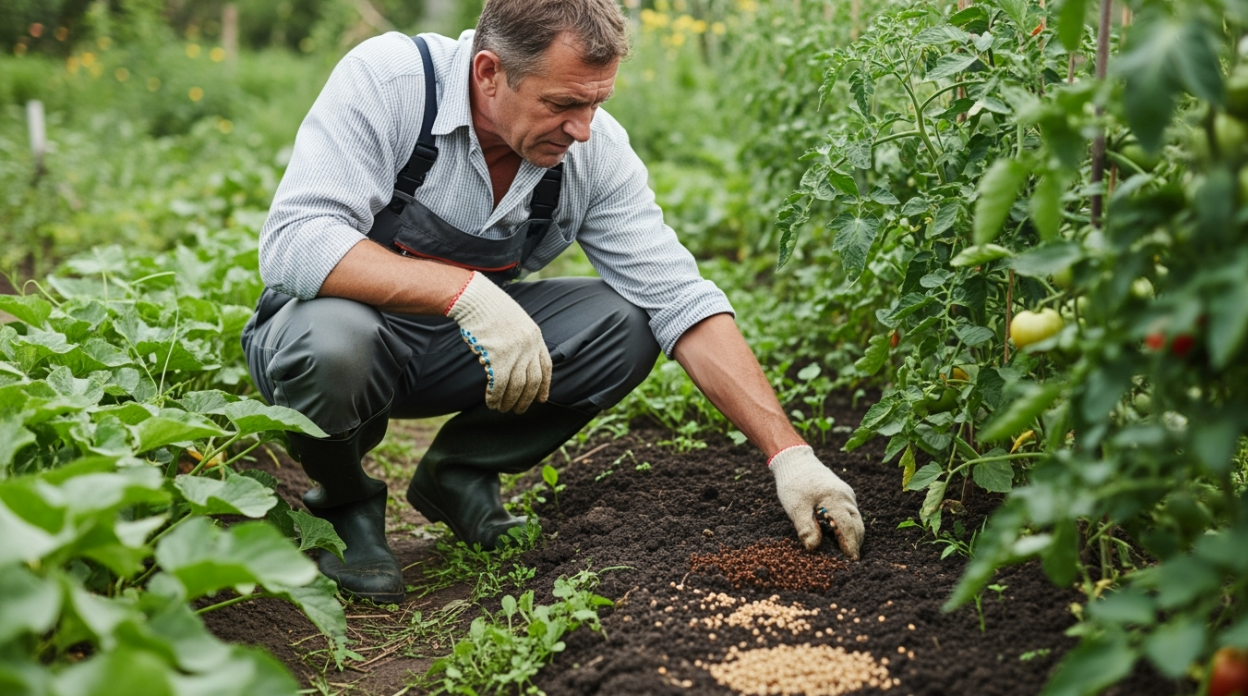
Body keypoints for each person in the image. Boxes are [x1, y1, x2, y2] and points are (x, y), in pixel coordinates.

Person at [242, 0, 864, 604]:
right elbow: (297, 239)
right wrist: (464, 292)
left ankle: (458, 477)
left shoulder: (592, 151)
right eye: (563, 103)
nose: (583, 128)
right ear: (489, 73)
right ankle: (345, 508)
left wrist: (790, 455)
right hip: (342, 338)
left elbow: (680, 298)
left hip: (452, 354)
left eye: (597, 101)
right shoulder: (392, 82)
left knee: (628, 323)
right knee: (333, 346)